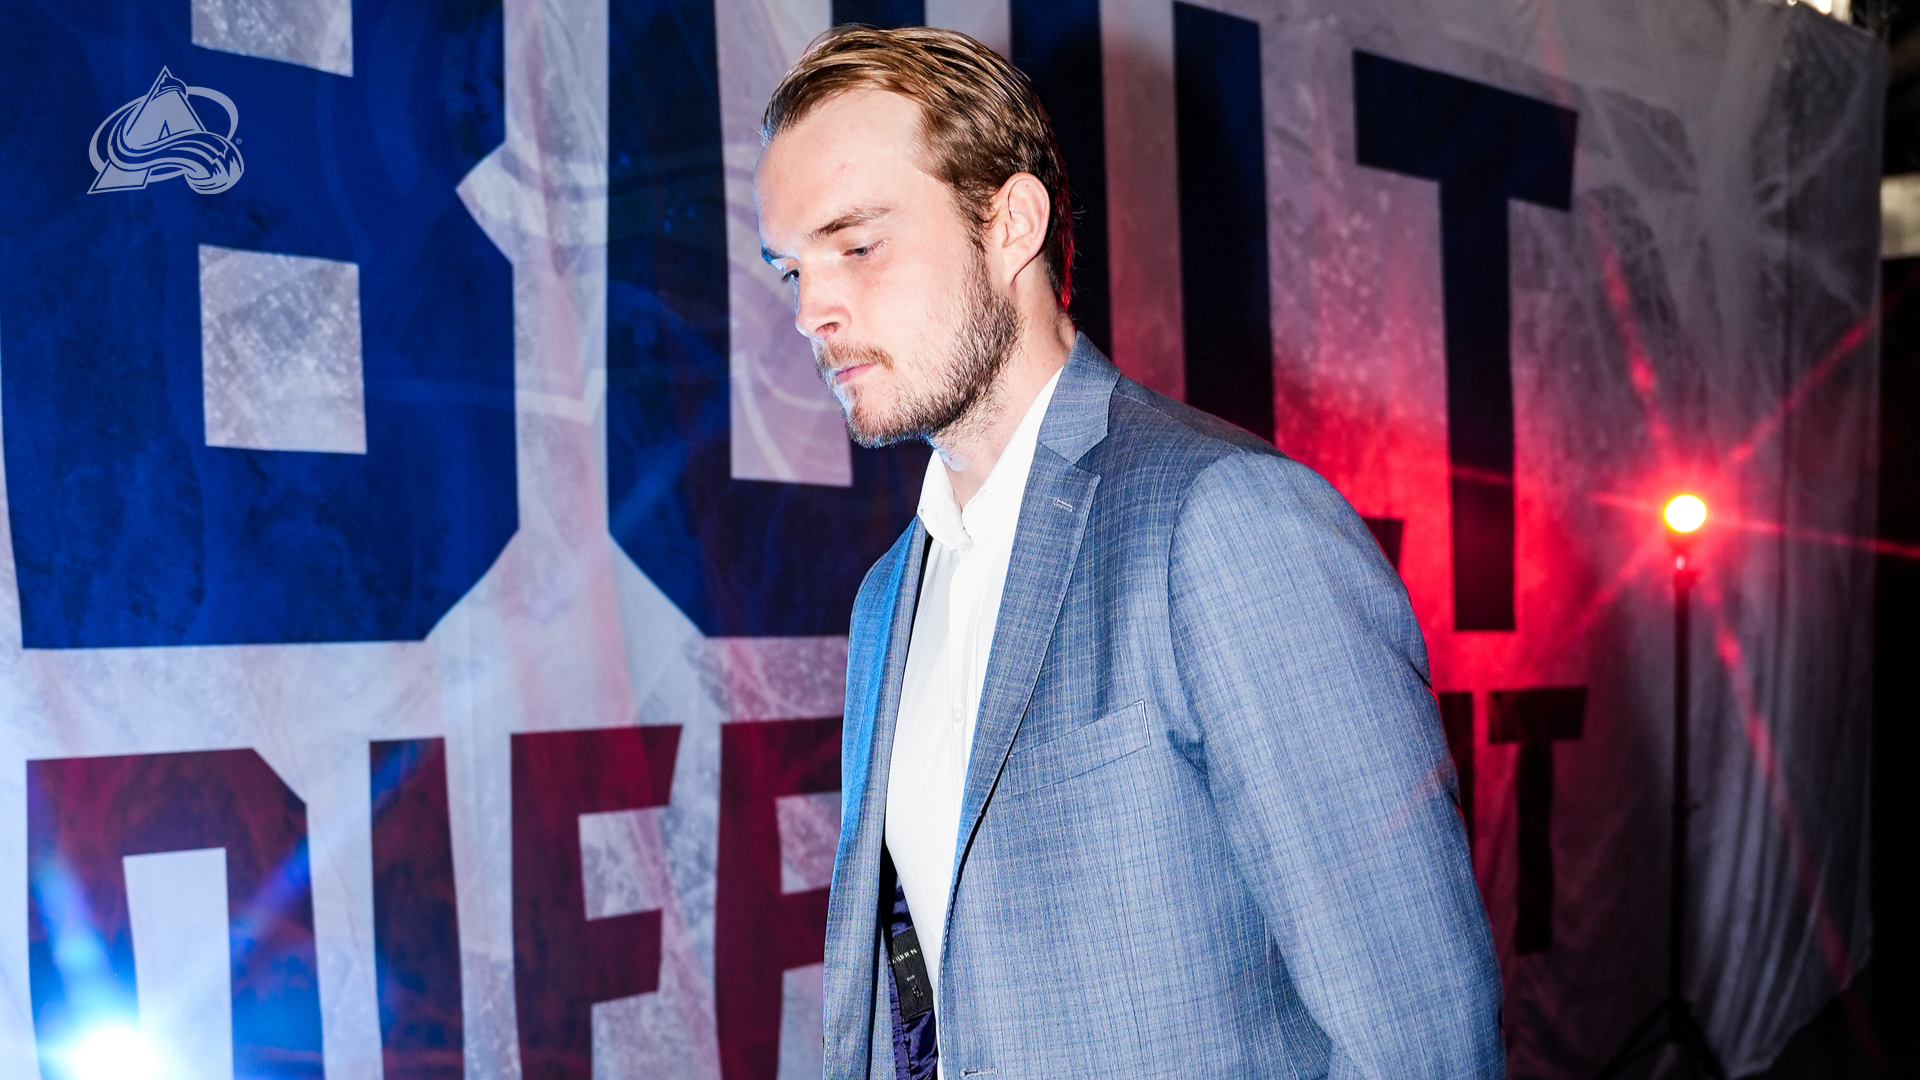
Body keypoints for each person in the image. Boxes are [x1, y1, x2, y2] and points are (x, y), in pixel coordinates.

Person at [754, 25, 1502, 1079]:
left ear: (1010, 223)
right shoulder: (889, 597)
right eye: (792, 269)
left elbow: (1421, 1035)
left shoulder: (1223, 521)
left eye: (858, 246)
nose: (810, 311)